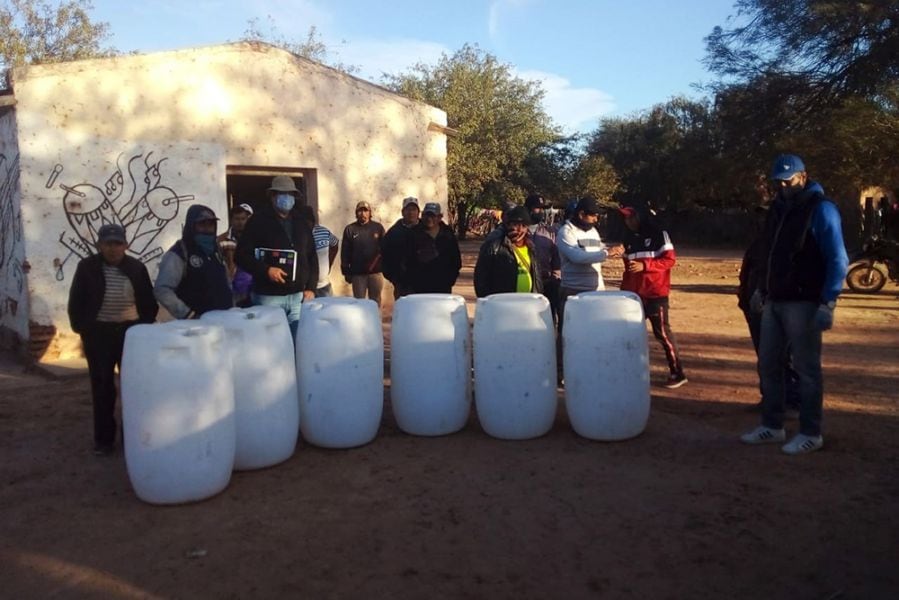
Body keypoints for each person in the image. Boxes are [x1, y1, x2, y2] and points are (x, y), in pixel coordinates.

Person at [740, 154, 849, 455]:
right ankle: (773, 426)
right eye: (780, 181)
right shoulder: (777, 209)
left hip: (804, 302)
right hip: (774, 298)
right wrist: (761, 288)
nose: (785, 186)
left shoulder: (822, 209)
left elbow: (837, 258)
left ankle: (811, 432)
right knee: (769, 364)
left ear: (803, 176)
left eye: (789, 180)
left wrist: (829, 301)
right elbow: (769, 253)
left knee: (806, 369)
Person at [67, 224, 158, 455]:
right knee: (102, 388)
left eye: (117, 244)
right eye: (108, 244)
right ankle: (104, 441)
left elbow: (148, 302)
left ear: (125, 245)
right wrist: (84, 329)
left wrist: (141, 329)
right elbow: (76, 302)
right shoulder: (87, 267)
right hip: (99, 335)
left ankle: (132, 438)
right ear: (99, 245)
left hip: (130, 334)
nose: (113, 249)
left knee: (132, 388)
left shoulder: (136, 268)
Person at [235, 175, 318, 339]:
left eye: (290, 194)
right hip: (268, 298)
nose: (287, 198)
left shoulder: (301, 223)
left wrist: (311, 287)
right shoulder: (257, 222)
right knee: (272, 344)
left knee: (298, 342)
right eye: (282, 193)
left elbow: (311, 256)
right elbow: (241, 256)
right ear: (272, 196)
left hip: (298, 297)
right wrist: (266, 270)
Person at [738, 204, 800, 410]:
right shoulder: (759, 243)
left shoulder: (788, 244)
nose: (758, 222)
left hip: (776, 306)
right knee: (765, 358)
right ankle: (770, 399)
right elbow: (749, 271)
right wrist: (744, 296)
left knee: (783, 357)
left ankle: (791, 402)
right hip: (754, 306)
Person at [618, 206, 687, 389]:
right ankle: (632, 371)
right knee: (630, 334)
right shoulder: (628, 238)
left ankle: (678, 373)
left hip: (656, 294)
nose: (628, 222)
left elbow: (670, 260)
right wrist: (625, 290)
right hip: (634, 296)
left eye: (631, 218)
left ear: (641, 217)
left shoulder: (659, 234)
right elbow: (629, 268)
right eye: (626, 219)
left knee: (662, 334)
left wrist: (645, 266)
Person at [154, 204, 233, 319]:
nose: (207, 228)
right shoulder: (180, 252)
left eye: (210, 224)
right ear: (192, 225)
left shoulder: (216, 250)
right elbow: (162, 289)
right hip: (197, 326)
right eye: (202, 224)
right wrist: (187, 314)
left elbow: (226, 281)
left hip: (224, 320)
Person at [556, 196, 623, 325]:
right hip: (573, 291)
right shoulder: (566, 232)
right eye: (593, 216)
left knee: (595, 329)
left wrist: (614, 250)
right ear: (581, 214)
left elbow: (599, 248)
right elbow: (577, 257)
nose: (596, 219)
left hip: (596, 290)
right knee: (570, 330)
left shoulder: (593, 231)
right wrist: (606, 253)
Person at [474, 205, 542, 297]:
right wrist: (491, 303)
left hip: (527, 305)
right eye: (515, 224)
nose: (519, 229)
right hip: (502, 305)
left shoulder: (531, 248)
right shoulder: (494, 247)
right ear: (507, 225)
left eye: (523, 225)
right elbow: (481, 280)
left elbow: (537, 278)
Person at [404, 202, 462, 294]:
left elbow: (455, 260)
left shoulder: (448, 234)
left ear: (439, 217)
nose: (429, 219)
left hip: (442, 287)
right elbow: (405, 261)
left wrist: (450, 280)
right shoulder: (413, 234)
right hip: (419, 288)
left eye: (433, 216)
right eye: (427, 215)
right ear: (422, 216)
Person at [525, 194, 562, 325]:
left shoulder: (550, 231)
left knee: (548, 321)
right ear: (528, 209)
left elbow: (556, 257)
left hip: (548, 283)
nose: (541, 211)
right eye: (537, 208)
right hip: (526, 284)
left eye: (542, 208)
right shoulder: (519, 232)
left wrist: (556, 277)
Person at [341, 200, 386, 307]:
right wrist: (346, 270)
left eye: (365, 211)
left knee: (375, 301)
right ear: (356, 213)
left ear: (370, 213)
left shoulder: (378, 228)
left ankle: (375, 322)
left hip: (375, 273)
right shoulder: (350, 229)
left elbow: (385, 248)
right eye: (360, 211)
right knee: (359, 302)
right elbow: (345, 251)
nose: (363, 214)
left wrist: (385, 266)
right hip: (358, 274)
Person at [381, 196, 421, 298]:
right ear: (402, 212)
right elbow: (384, 256)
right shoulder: (393, 233)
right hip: (402, 284)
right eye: (408, 209)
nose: (411, 213)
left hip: (423, 283)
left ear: (418, 212)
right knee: (404, 311)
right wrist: (394, 278)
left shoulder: (426, 230)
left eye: (414, 209)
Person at [218, 203, 255, 307]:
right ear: (231, 220)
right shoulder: (221, 240)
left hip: (254, 288)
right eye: (237, 219)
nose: (240, 222)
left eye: (243, 219)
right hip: (233, 289)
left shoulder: (255, 238)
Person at [300, 205, 339, 297]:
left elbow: (335, 245)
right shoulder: (297, 235)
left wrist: (329, 263)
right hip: (305, 289)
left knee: (328, 310)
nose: (307, 224)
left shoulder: (324, 232)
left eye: (308, 221)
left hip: (324, 286)